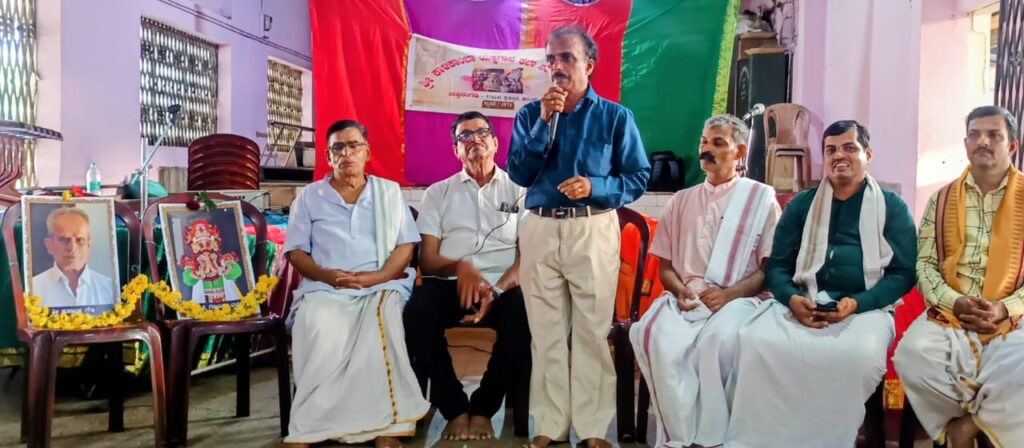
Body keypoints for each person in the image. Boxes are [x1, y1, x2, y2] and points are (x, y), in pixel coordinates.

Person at [725, 120, 917, 447]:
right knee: (756, 341)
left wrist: (858, 303)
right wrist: (791, 299)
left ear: (868, 154)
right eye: (831, 150)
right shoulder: (802, 205)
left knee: (856, 354)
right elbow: (778, 266)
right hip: (803, 300)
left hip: (866, 309)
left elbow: (903, 273)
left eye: (849, 148)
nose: (839, 155)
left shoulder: (891, 206)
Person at [507, 25, 650, 448]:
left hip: (592, 227)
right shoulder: (530, 115)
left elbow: (637, 177)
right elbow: (519, 173)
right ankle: (550, 424)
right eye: (551, 59)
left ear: (589, 65)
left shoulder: (615, 117)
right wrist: (544, 122)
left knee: (591, 331)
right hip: (540, 228)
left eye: (566, 58)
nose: (557, 67)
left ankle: (591, 429)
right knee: (546, 333)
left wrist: (595, 186)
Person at [629, 114, 780, 448]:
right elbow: (666, 267)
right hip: (687, 297)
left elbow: (768, 269)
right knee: (654, 336)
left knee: (718, 342)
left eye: (717, 143)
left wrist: (729, 295)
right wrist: (680, 290)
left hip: (740, 299)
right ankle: (679, 435)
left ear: (739, 152)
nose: (706, 149)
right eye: (703, 141)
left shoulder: (760, 198)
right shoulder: (681, 200)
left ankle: (713, 438)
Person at [282, 120, 428, 448]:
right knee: (316, 323)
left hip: (381, 286)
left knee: (386, 323)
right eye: (338, 147)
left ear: (367, 152)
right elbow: (296, 252)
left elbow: (406, 247)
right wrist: (327, 276)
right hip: (324, 287)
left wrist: (378, 277)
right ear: (327, 155)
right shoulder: (309, 197)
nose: (346, 153)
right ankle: (311, 426)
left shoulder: (389, 192)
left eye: (354, 146)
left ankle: (386, 427)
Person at [894, 106, 1024, 447]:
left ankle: (966, 429)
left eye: (994, 135)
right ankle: (989, 419)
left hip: (1014, 316)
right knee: (911, 355)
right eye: (974, 134)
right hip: (952, 313)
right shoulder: (941, 199)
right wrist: (955, 302)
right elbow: (924, 266)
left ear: (1011, 146)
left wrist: (1005, 307)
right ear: (965, 144)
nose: (983, 141)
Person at [403, 111, 531, 441]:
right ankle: (455, 408)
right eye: (464, 136)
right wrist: (460, 268)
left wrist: (497, 290)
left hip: (502, 287)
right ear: (455, 150)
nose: (474, 139)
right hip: (450, 284)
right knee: (417, 313)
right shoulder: (438, 193)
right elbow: (427, 258)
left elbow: (527, 256)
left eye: (481, 132)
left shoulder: (520, 191)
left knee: (524, 315)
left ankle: (485, 409)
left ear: (495, 143)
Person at [32, 206, 115, 310]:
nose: (72, 248)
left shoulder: (110, 288)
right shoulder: (33, 288)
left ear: (89, 245)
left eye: (80, 240)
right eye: (64, 240)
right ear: (49, 245)